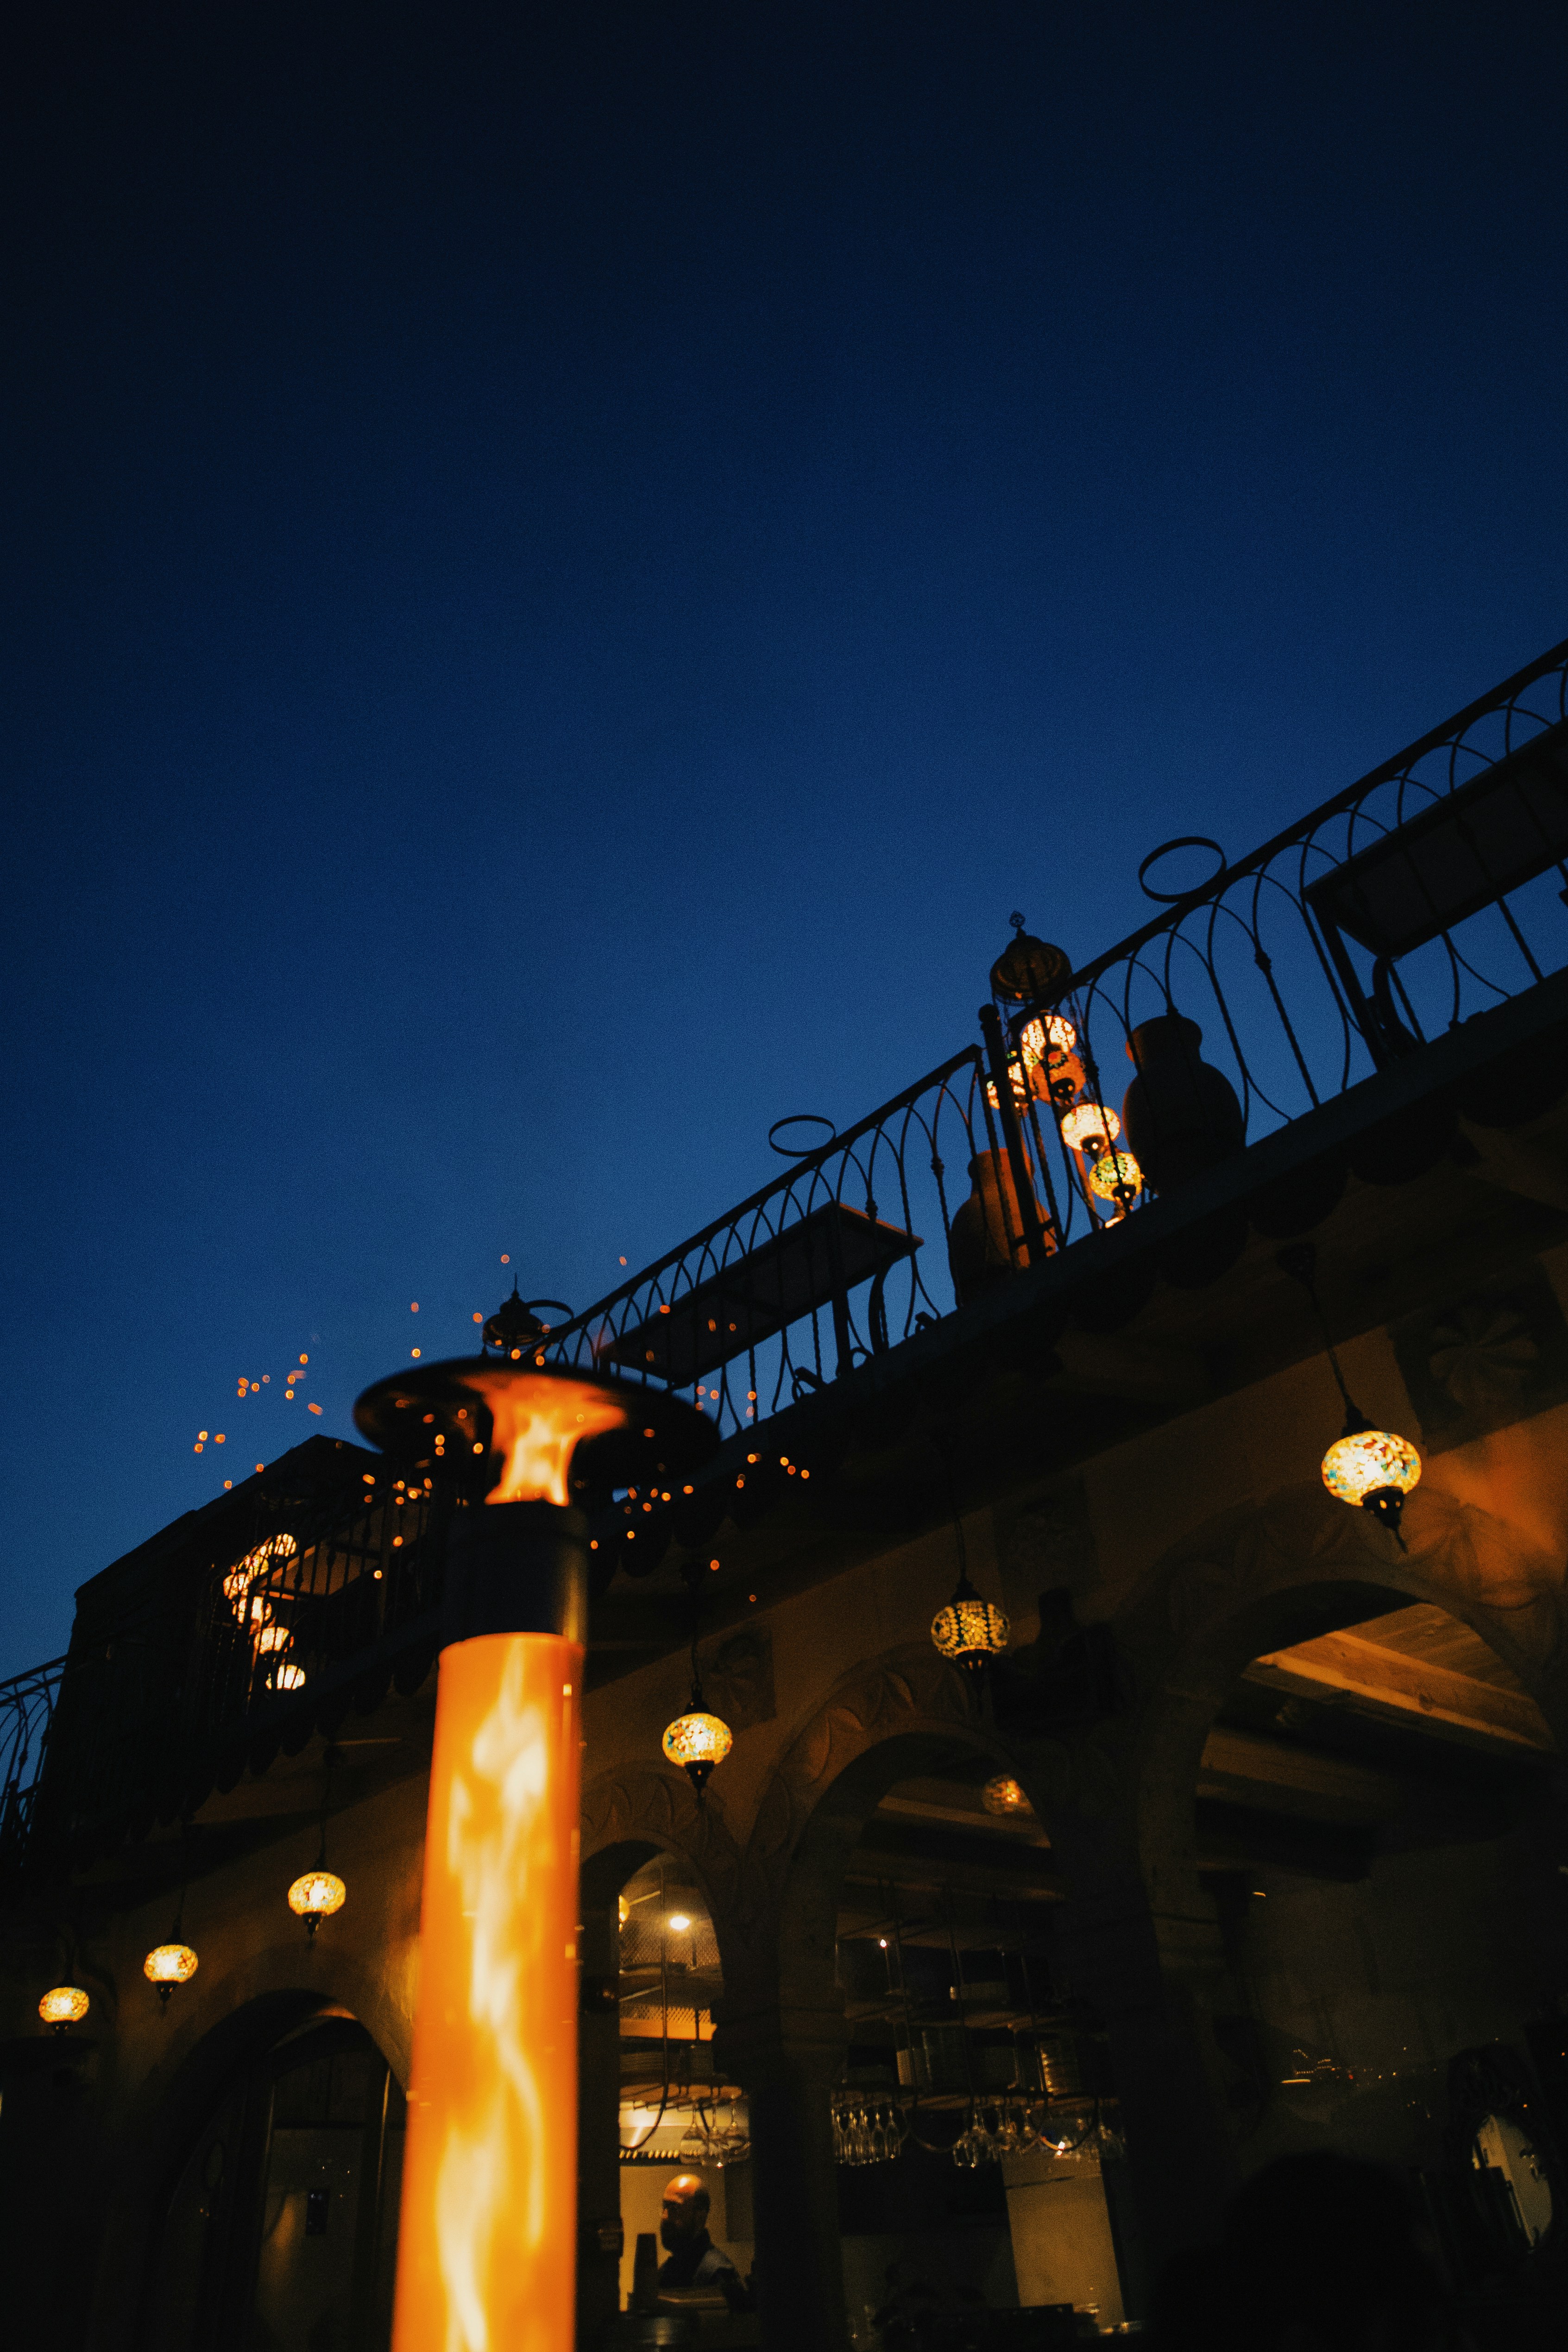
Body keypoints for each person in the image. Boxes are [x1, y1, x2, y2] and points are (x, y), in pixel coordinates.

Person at [656, 2173, 750, 2313]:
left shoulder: (718, 2274)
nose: (665, 2216)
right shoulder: (669, 2269)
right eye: (665, 2206)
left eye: (674, 2208)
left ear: (700, 2215)